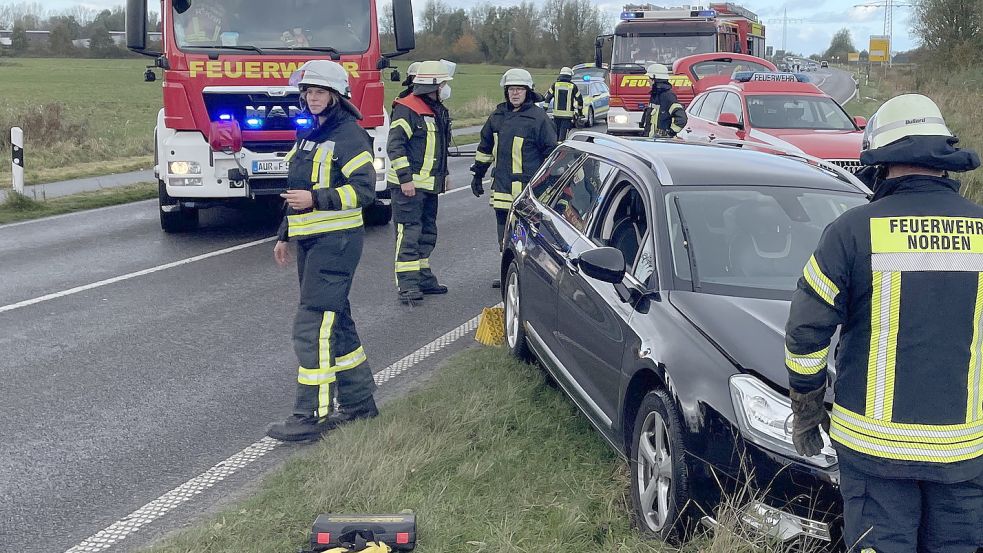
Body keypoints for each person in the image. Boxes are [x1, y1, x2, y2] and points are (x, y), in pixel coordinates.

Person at [784, 94, 983, 553]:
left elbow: (806, 332)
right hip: (963, 454)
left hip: (875, 457)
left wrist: (807, 407)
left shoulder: (852, 231)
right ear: (943, 158)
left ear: (881, 160)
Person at [267, 59, 379, 442]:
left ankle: (309, 416)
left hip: (337, 244)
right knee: (338, 323)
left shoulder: (350, 136)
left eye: (319, 92)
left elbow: (365, 190)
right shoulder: (309, 134)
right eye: (308, 92)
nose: (312, 99)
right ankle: (360, 403)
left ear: (336, 96)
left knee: (312, 326)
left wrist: (317, 198)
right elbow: (295, 189)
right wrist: (284, 234)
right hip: (312, 244)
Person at [470, 68, 557, 287]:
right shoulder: (497, 117)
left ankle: (528, 277)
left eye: (519, 89)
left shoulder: (539, 119)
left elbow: (550, 156)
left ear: (528, 91)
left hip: (528, 193)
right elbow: (485, 148)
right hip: (502, 189)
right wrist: (477, 175)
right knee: (505, 236)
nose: (515, 94)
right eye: (511, 89)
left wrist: (546, 187)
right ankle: (508, 273)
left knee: (528, 237)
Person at [386, 60, 453, 304]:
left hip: (427, 185)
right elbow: (395, 145)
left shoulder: (435, 109)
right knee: (409, 234)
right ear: (432, 86)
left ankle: (423, 277)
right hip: (409, 187)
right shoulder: (407, 108)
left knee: (427, 232)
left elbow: (438, 148)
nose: (446, 88)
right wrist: (405, 179)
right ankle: (407, 285)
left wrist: (443, 175)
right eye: (443, 83)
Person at [640, 63, 686, 139]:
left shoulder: (667, 96)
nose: (648, 81)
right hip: (652, 141)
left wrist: (669, 132)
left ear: (655, 79)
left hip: (663, 143)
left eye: (649, 78)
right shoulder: (656, 95)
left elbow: (682, 119)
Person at [543, 67, 584, 141]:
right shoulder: (573, 86)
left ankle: (555, 148)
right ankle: (561, 149)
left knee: (556, 134)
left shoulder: (555, 85)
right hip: (567, 116)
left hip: (556, 115)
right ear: (570, 76)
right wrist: (580, 113)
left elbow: (547, 98)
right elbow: (580, 100)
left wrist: (544, 111)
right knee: (563, 136)